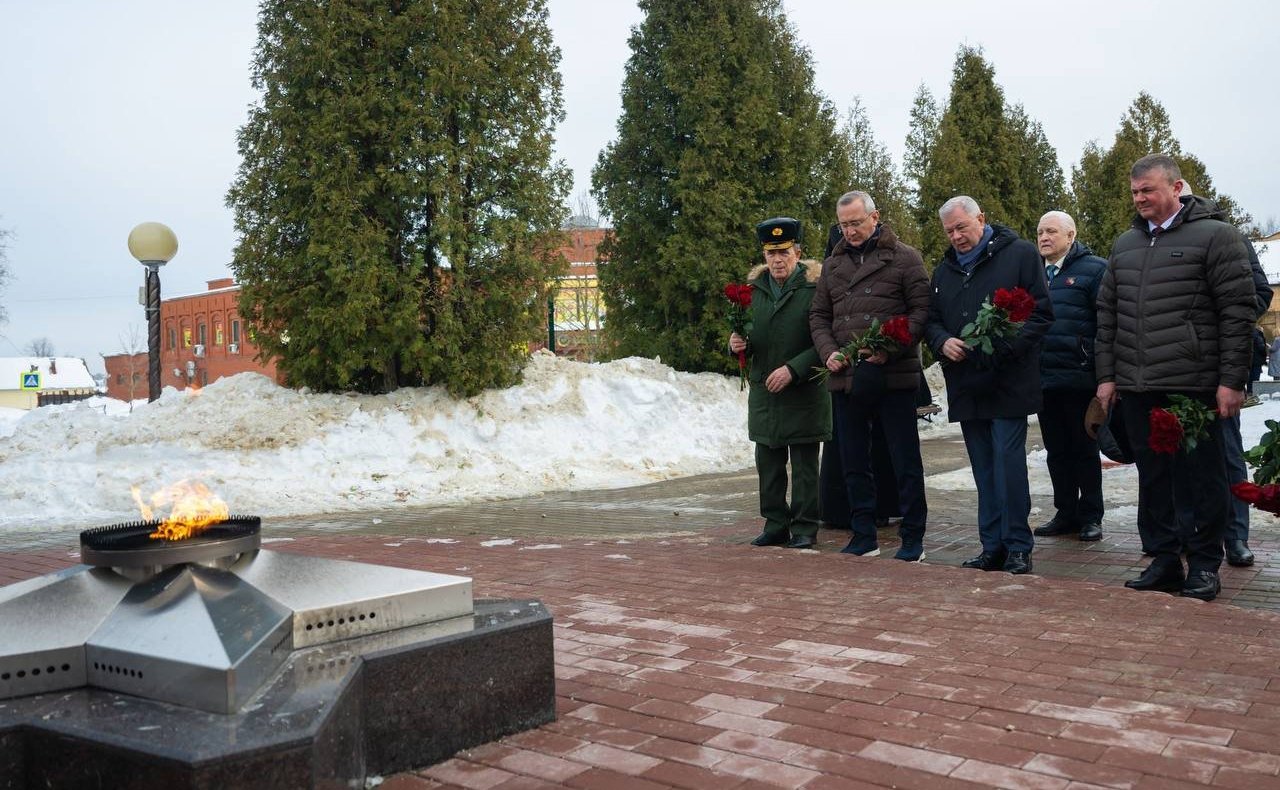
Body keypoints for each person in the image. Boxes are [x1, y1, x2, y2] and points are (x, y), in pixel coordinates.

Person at [1095, 154, 1256, 601]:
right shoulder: (1125, 244)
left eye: (1148, 189)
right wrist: (1107, 379)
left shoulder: (1217, 237)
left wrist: (1231, 380)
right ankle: (1164, 560)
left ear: (1176, 187)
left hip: (1195, 384)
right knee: (1154, 476)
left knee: (1203, 477)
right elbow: (1107, 316)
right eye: (1134, 191)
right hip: (1138, 386)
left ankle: (1205, 565)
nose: (1140, 198)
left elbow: (1238, 314)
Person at [924, 196, 1052, 575]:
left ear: (981, 218)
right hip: (967, 382)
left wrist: (1002, 346)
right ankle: (991, 545)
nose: (956, 237)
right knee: (982, 467)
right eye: (949, 231)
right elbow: (931, 320)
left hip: (1008, 379)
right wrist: (942, 340)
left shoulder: (1020, 255)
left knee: (1008, 464)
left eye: (962, 227)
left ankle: (1017, 545)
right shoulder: (944, 271)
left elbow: (1042, 313)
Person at [810, 191, 931, 560]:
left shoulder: (905, 258)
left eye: (856, 223)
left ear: (874, 217)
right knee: (853, 460)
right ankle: (863, 533)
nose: (850, 231)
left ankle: (913, 538)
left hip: (892, 377)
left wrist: (887, 348)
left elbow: (921, 311)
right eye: (843, 225)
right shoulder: (833, 266)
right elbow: (819, 316)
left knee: (903, 459)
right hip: (846, 378)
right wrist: (829, 352)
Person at [730, 217, 831, 549]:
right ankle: (775, 523)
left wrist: (794, 368)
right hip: (765, 392)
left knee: (804, 465)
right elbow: (746, 333)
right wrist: (736, 344)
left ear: (798, 252)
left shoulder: (815, 289)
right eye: (771, 253)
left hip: (803, 389)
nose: (777, 260)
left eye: (784, 252)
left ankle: (804, 526)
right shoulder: (753, 292)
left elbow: (826, 341)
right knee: (768, 463)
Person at [1032, 211, 1107, 543]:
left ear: (1071, 235)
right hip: (1044, 379)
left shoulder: (1094, 270)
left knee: (1083, 450)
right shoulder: (1035, 273)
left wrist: (1103, 375)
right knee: (1056, 451)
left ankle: (1091, 515)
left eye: (1051, 231)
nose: (1044, 237)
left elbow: (1105, 325)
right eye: (1040, 232)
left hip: (1080, 378)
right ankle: (1066, 512)